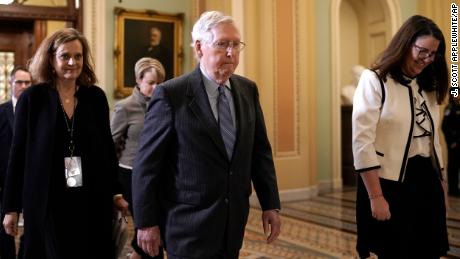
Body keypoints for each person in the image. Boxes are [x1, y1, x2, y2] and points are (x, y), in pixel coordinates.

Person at [132, 11, 281, 259]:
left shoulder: (247, 90)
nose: (231, 53)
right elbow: (147, 165)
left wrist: (270, 204)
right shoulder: (172, 95)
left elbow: (260, 151)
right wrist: (146, 223)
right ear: (200, 48)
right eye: (222, 44)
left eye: (236, 44)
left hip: (232, 223)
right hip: (188, 227)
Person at [1, 28, 128, 259]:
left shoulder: (95, 98)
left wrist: (116, 192)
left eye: (78, 56)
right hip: (45, 200)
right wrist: (10, 207)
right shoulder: (32, 99)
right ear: (51, 59)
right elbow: (17, 155)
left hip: (90, 197)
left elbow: (107, 150)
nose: (72, 62)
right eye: (65, 56)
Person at [352, 15, 449, 258]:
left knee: (429, 251)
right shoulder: (374, 80)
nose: (427, 59)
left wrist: (442, 188)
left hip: (425, 179)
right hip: (388, 183)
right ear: (406, 44)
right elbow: (362, 142)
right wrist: (376, 197)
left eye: (433, 54)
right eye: (422, 51)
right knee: (396, 251)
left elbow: (433, 142)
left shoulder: (429, 84)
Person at [111, 57, 166, 259]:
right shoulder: (125, 107)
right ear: (138, 81)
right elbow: (110, 146)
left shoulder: (165, 104)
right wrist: (115, 190)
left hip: (159, 176)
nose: (156, 87)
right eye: (151, 83)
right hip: (131, 175)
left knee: (157, 228)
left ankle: (136, 254)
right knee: (149, 228)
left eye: (160, 83)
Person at [0, 66, 31, 259]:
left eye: (28, 82)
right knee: (5, 235)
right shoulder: (1, 112)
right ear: (11, 84)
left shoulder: (39, 111)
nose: (24, 86)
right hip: (5, 183)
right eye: (20, 82)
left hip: (32, 180)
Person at [442, 96, 460, 196]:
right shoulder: (449, 108)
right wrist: (451, 142)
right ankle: (453, 189)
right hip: (453, 144)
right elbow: (444, 127)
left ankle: (456, 187)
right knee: (453, 165)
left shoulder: (458, 107)